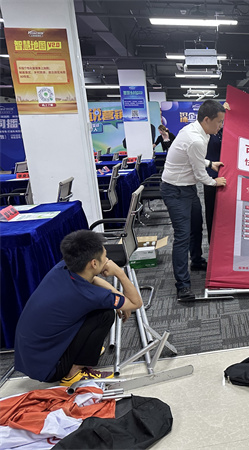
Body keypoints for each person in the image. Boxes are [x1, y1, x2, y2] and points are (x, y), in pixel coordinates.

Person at [14, 230, 143, 386]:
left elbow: (93, 279)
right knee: (105, 314)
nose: (108, 261)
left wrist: (116, 293)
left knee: (94, 310)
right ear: (94, 263)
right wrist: (119, 273)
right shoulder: (91, 295)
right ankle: (74, 373)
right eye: (105, 258)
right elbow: (136, 303)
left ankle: (81, 353)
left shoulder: (63, 267)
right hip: (51, 369)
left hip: (33, 358)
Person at [160, 99, 227, 302]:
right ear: (206, 119)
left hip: (187, 188)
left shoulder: (198, 131)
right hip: (174, 190)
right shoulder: (195, 138)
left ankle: (196, 260)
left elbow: (192, 157)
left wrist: (209, 163)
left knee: (196, 227)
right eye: (219, 122)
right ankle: (183, 285)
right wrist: (215, 182)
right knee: (182, 236)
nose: (221, 126)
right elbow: (200, 175)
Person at [204, 128, 222, 243]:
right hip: (211, 178)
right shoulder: (206, 133)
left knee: (226, 212)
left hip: (228, 177)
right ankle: (213, 243)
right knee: (212, 212)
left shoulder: (225, 131)